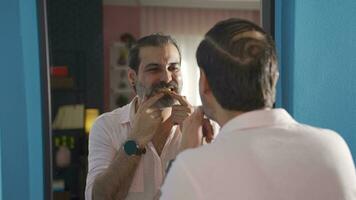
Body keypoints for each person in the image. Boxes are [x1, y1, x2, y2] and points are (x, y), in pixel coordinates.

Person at [160, 18, 356, 200]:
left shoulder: (190, 169)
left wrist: (186, 155)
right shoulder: (333, 147)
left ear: (204, 83)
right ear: (274, 78)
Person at [85, 34, 212, 200]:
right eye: (154, 69)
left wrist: (196, 145)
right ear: (132, 78)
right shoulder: (106, 126)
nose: (167, 78)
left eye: (173, 68)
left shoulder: (203, 124)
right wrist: (135, 141)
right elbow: (98, 197)